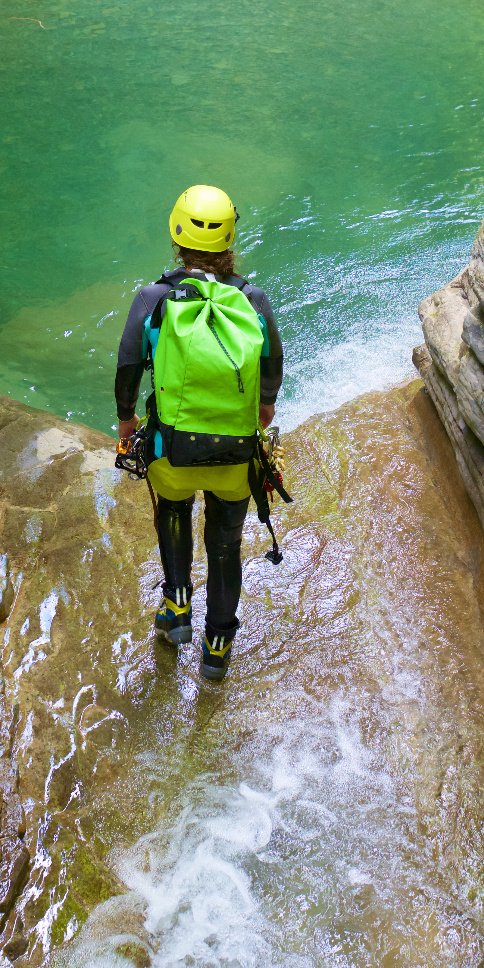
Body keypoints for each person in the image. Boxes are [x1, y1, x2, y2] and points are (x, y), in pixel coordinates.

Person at [115, 183, 284, 684]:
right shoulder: (252, 300)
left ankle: (177, 607)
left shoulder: (154, 299)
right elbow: (272, 366)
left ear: (176, 235)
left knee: (173, 509)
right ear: (230, 238)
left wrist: (127, 421)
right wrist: (264, 407)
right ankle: (217, 647)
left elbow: (128, 366)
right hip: (234, 455)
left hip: (173, 450)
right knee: (227, 543)